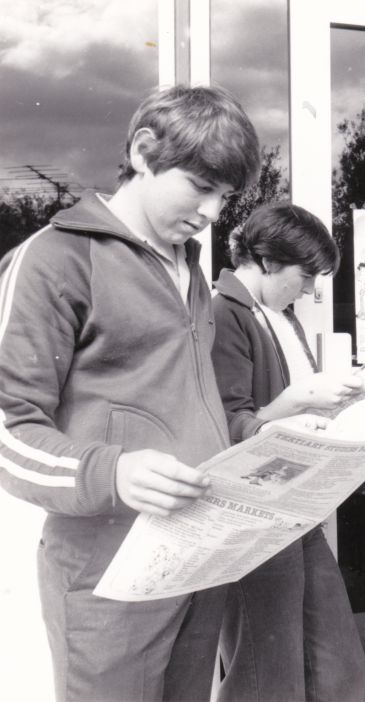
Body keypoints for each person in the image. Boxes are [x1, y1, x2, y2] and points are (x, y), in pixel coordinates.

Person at [0, 84, 260, 701]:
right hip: (108, 569)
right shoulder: (55, 259)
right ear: (144, 152)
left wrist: (259, 440)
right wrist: (112, 473)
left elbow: (186, 404)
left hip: (197, 553)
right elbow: (8, 428)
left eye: (224, 197)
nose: (212, 213)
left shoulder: (188, 266)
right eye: (200, 187)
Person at [211, 202, 365, 702]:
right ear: (266, 259)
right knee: (266, 675)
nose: (311, 291)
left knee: (337, 667)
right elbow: (229, 426)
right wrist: (300, 400)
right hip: (252, 517)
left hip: (296, 511)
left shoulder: (279, 316)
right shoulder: (223, 313)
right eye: (306, 276)